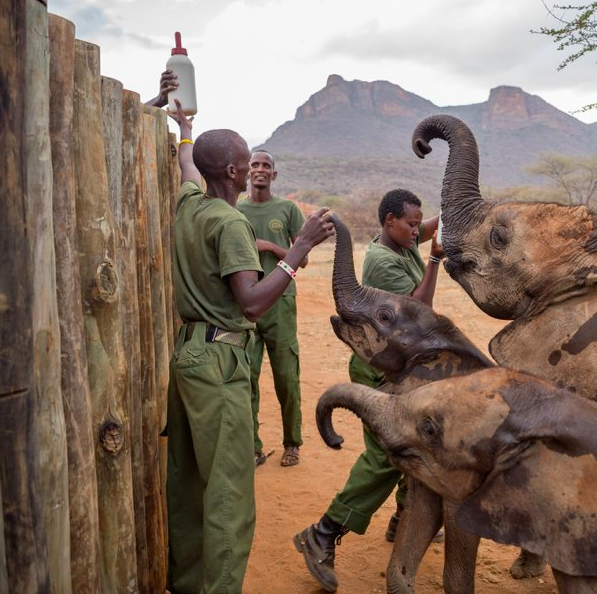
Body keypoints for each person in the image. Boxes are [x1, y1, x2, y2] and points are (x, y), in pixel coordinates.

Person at [165, 99, 334, 594]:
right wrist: (298, 250)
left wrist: (185, 130)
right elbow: (253, 303)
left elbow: (186, 165)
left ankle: (188, 583)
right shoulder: (230, 223)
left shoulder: (189, 204)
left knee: (190, 485)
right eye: (246, 162)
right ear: (237, 171)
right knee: (230, 495)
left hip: (189, 355)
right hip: (220, 363)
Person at [293, 189, 444, 593]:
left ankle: (403, 518)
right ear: (389, 221)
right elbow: (418, 309)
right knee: (385, 454)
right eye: (410, 224)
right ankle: (323, 532)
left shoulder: (403, 240)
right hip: (375, 368)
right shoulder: (382, 260)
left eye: (418, 223)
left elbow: (430, 227)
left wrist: (450, 211)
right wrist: (434, 259)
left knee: (408, 440)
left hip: (396, 365)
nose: (417, 230)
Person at [236, 150, 306, 468]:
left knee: (286, 376)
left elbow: (301, 258)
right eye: (255, 165)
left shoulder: (287, 209)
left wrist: (271, 247)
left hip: (280, 303)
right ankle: (252, 446)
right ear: (247, 172)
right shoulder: (236, 210)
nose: (260, 169)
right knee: (246, 376)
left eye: (266, 166)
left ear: (274, 175)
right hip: (247, 304)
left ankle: (292, 443)